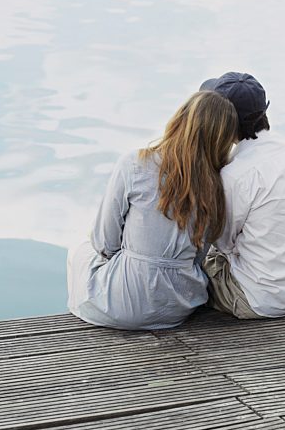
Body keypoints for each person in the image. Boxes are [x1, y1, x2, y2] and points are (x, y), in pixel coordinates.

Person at [67, 91, 238, 330]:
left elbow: (104, 243)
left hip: (123, 306)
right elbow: (198, 258)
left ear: (180, 119)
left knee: (79, 250)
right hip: (178, 308)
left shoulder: (134, 163)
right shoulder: (218, 186)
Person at [200, 72, 285, 319]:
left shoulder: (235, 175)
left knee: (189, 269)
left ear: (223, 121)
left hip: (259, 299)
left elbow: (222, 243)